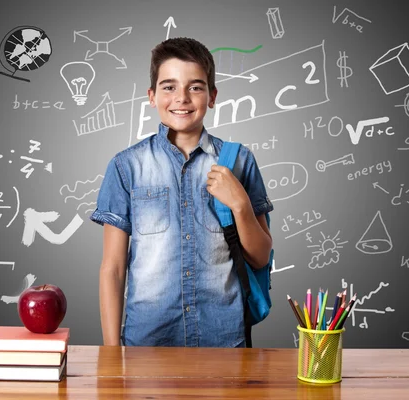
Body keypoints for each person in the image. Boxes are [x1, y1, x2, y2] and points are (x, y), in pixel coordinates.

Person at [89, 37, 274, 348]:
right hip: (147, 342)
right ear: (151, 96)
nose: (182, 98)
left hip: (224, 341)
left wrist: (240, 204)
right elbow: (114, 268)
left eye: (196, 87)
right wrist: (110, 350)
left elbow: (259, 257)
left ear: (212, 96)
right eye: (169, 87)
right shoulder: (126, 166)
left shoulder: (239, 161)